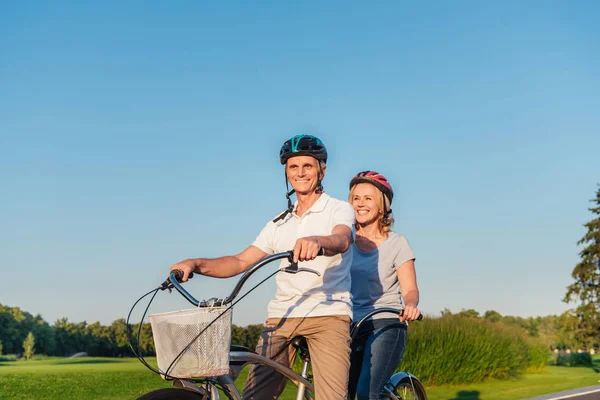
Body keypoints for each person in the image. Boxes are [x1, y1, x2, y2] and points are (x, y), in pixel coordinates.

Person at [170, 134, 356, 400]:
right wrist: (195, 264)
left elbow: (341, 239)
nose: (300, 173)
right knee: (254, 397)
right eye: (293, 167)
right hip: (282, 317)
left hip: (327, 315)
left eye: (308, 166)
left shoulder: (338, 209)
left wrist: (318, 241)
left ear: (322, 170)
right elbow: (240, 261)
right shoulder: (279, 223)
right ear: (286, 173)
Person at [346, 171, 421, 400]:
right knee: (338, 394)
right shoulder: (343, 241)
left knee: (367, 392)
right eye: (356, 198)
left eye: (368, 198)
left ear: (382, 206)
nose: (360, 204)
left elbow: (410, 289)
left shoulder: (397, 243)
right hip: (347, 324)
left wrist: (410, 305)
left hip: (385, 322)